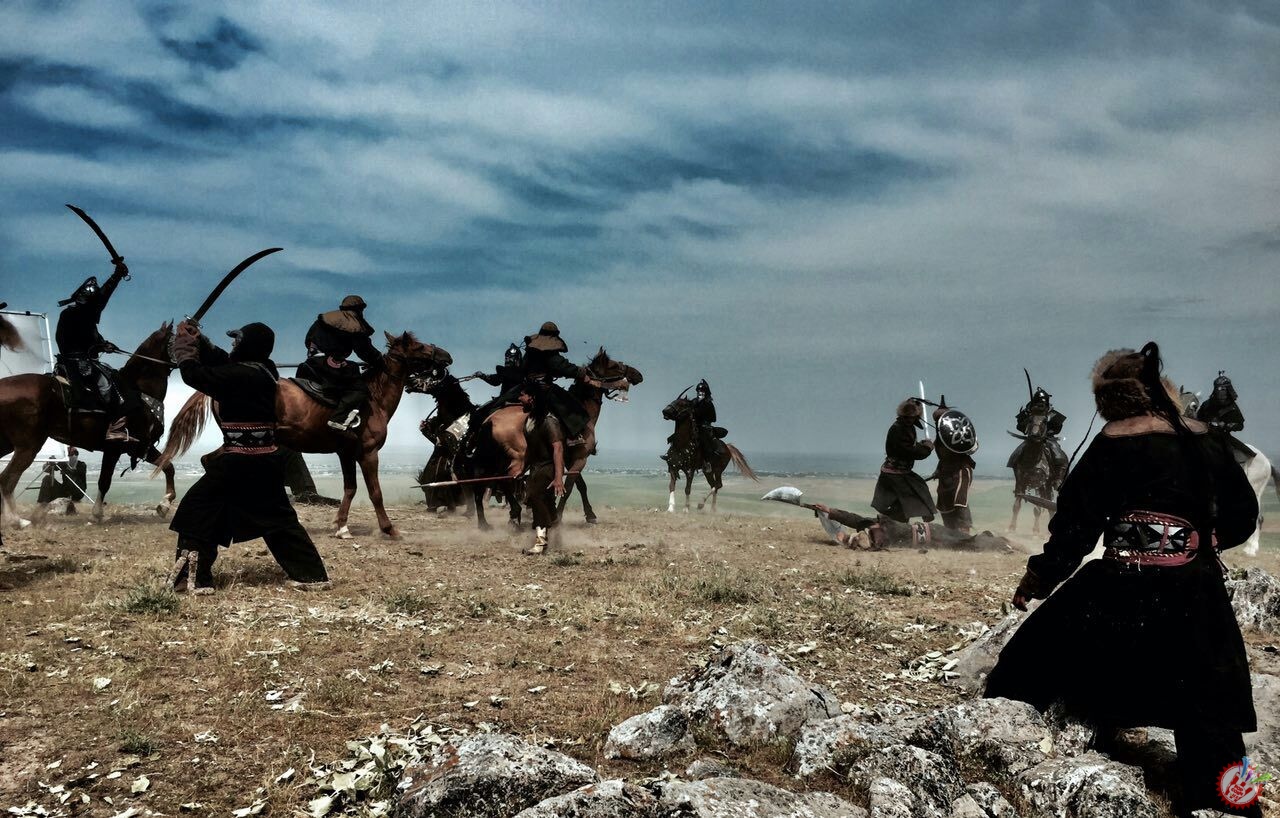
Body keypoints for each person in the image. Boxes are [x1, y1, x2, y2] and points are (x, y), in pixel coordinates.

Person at [984, 343, 1260, 818]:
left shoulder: (1110, 442)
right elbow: (1242, 517)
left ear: (1111, 399)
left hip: (1118, 585)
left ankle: (995, 750)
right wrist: (1197, 544)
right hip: (1196, 592)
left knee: (1021, 668)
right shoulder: (1208, 440)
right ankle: (1232, 804)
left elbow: (1074, 529)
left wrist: (1038, 578)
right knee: (1212, 713)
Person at [167, 320, 330, 594]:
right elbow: (225, 361)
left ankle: (191, 579)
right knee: (278, 519)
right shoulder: (263, 370)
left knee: (197, 509)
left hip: (239, 462)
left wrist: (184, 348)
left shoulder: (242, 376)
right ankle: (312, 575)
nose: (233, 344)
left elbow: (195, 375)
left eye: (237, 341)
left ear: (248, 346)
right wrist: (201, 341)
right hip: (264, 461)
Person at [54, 260, 136, 442]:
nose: (97, 304)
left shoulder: (77, 314)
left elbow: (101, 299)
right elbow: (82, 338)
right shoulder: (78, 315)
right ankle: (111, 429)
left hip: (74, 360)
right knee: (109, 386)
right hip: (79, 363)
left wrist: (103, 344)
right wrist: (100, 346)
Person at [297, 295, 382, 432]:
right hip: (328, 366)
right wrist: (379, 361)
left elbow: (308, 340)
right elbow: (364, 351)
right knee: (359, 389)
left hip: (310, 363)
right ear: (359, 309)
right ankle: (338, 419)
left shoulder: (324, 318)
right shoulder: (354, 324)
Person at [518, 380, 566, 555]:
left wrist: (558, 477)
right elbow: (530, 448)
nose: (519, 398)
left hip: (547, 467)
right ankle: (556, 537)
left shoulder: (549, 421)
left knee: (537, 498)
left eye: (522, 395)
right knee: (546, 503)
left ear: (532, 398)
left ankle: (540, 544)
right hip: (535, 468)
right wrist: (522, 468)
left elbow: (558, 448)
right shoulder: (529, 420)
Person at [871, 399, 936, 523]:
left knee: (906, 500)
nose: (909, 420)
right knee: (912, 494)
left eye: (912, 417)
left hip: (901, 472)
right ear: (902, 416)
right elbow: (907, 451)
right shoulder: (898, 429)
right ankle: (892, 524)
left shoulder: (907, 428)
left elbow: (910, 446)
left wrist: (922, 445)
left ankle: (905, 522)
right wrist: (927, 448)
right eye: (907, 417)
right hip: (894, 474)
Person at [930, 400, 978, 533]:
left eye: (939, 420)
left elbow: (971, 447)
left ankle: (965, 532)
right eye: (936, 421)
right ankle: (951, 533)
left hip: (961, 470)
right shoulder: (939, 440)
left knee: (959, 501)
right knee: (944, 502)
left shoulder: (960, 432)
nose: (937, 423)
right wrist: (937, 470)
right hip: (945, 472)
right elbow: (943, 458)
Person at [1009, 385, 1068, 480]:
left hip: (1048, 439)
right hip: (1031, 438)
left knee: (1059, 457)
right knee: (1015, 457)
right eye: (1038, 401)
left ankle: (1058, 480)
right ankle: (1019, 481)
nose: (1040, 403)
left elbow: (1057, 428)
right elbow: (1020, 426)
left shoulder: (1051, 413)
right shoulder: (1028, 411)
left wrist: (1047, 430)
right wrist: (1025, 420)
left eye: (1042, 401)